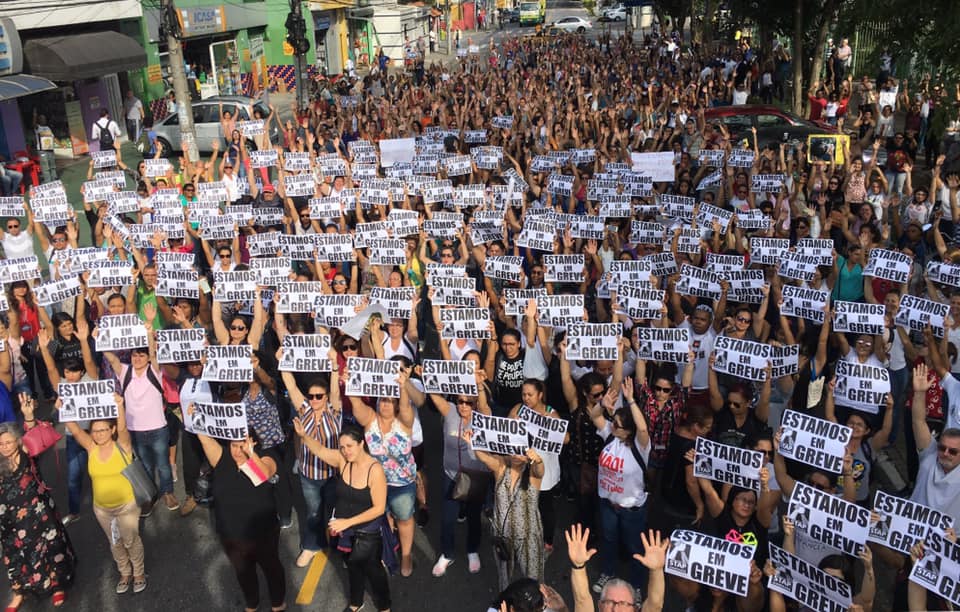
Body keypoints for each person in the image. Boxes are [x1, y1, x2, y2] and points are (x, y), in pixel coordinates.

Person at [189, 408, 286, 612]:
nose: (236, 450)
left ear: (253, 443)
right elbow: (205, 440)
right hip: (231, 534)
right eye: (233, 445)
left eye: (241, 445)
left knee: (272, 568)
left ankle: (278, 604)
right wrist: (195, 416)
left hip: (263, 533)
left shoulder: (266, 457)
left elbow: (264, 475)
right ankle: (252, 605)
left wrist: (251, 455)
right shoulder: (222, 459)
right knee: (243, 572)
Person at [293, 421, 395, 612]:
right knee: (352, 566)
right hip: (346, 531)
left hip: (368, 533)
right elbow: (321, 450)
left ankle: (384, 606)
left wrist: (347, 522)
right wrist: (304, 436)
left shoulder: (375, 470)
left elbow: (379, 509)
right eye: (342, 447)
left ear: (361, 444)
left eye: (349, 446)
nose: (345, 451)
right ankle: (356, 603)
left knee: (373, 571)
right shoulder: (342, 461)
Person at [0, 396, 75, 610]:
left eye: (8, 442)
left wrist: (29, 417)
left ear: (17, 441)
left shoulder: (26, 454)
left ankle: (57, 585)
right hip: (9, 520)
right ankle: (18, 592)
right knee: (13, 555)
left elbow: (34, 435)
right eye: (0, 444)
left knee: (50, 547)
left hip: (38, 513)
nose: (4, 447)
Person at [347, 367, 417, 576]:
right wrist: (351, 383)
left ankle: (405, 555)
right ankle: (387, 550)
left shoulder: (404, 422)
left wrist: (403, 386)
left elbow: (405, 406)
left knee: (403, 519)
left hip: (402, 484)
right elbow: (356, 405)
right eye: (383, 399)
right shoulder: (370, 419)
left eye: (391, 400)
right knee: (381, 521)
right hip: (376, 483)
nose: (386, 403)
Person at [469, 428, 545, 590]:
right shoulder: (501, 467)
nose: (517, 455)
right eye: (513, 449)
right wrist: (473, 443)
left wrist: (537, 460)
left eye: (521, 450)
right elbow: (484, 458)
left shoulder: (532, 473)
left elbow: (540, 471)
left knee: (534, 579)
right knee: (504, 577)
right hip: (502, 535)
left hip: (528, 535)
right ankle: (506, 604)